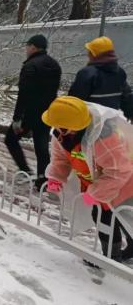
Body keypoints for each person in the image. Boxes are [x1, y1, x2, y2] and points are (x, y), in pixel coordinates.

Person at [43, 96, 133, 263]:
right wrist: (56, 177)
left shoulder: (104, 137)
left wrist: (96, 193)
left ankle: (110, 258)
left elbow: (119, 171)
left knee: (119, 216)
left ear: (73, 126)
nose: (55, 129)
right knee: (106, 216)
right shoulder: (61, 135)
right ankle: (117, 253)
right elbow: (60, 158)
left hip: (124, 184)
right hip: (100, 183)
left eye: (60, 127)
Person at [5, 34, 62, 190]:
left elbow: (24, 94)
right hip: (46, 114)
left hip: (28, 114)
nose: (26, 49)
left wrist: (18, 118)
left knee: (10, 139)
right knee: (41, 145)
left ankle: (24, 170)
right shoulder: (55, 65)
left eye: (27, 46)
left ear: (33, 47)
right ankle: (43, 179)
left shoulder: (30, 66)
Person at [69, 36, 133, 120]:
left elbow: (75, 101)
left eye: (90, 51)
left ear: (95, 54)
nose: (88, 54)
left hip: (88, 123)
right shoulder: (120, 73)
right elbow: (127, 97)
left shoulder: (87, 74)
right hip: (110, 122)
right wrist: (131, 114)